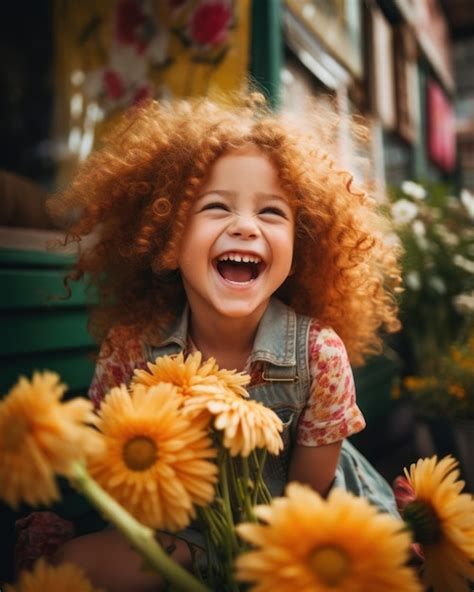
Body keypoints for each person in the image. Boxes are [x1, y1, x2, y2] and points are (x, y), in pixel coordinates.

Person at [20, 93, 402, 591]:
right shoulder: (131, 350)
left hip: (302, 533)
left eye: (272, 213)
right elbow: (119, 480)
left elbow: (306, 505)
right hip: (182, 534)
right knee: (67, 564)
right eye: (216, 207)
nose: (244, 226)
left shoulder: (318, 354)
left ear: (300, 246)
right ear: (168, 237)